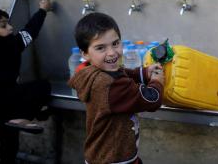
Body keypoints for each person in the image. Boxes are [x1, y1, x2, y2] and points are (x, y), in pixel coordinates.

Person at [68, 12, 164, 164]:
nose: (112, 52)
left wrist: (145, 72)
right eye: (101, 48)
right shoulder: (108, 85)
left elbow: (122, 73)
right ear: (85, 53)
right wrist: (157, 81)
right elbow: (151, 99)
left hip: (101, 156)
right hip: (114, 159)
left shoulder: (92, 71)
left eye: (115, 43)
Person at [0, 0, 53, 163]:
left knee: (8, 145)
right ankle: (24, 117)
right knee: (43, 86)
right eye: (3, 26)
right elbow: (30, 32)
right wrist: (43, 11)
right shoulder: (5, 43)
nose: (10, 28)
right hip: (4, 103)